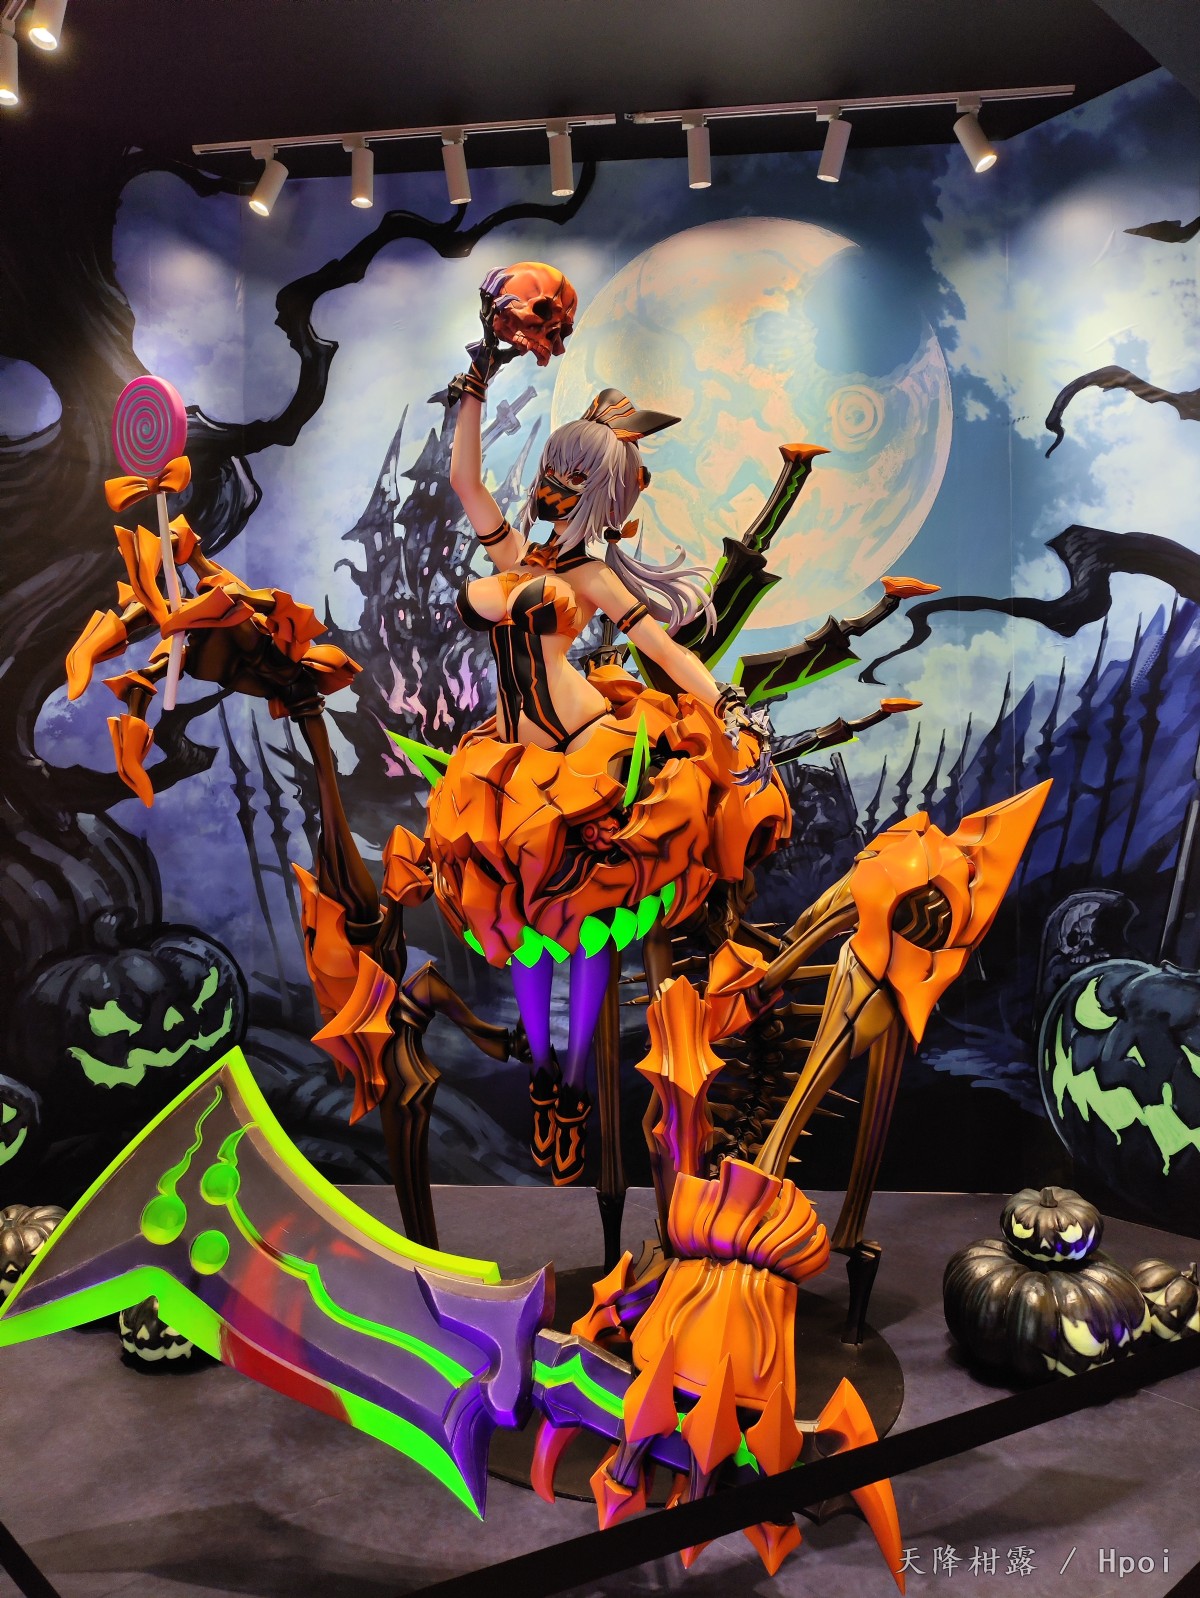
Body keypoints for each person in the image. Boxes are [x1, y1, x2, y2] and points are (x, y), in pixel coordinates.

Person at [429, 319, 788, 1186]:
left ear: (601, 497)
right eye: (552, 473)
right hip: (510, 762)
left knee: (586, 927)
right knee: (522, 931)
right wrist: (477, 384)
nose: (552, 489)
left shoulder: (590, 575)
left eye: (573, 480)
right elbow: (465, 479)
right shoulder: (509, 553)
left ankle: (575, 1080)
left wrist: (725, 702)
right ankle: (547, 1072)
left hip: (583, 748)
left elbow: (661, 648)